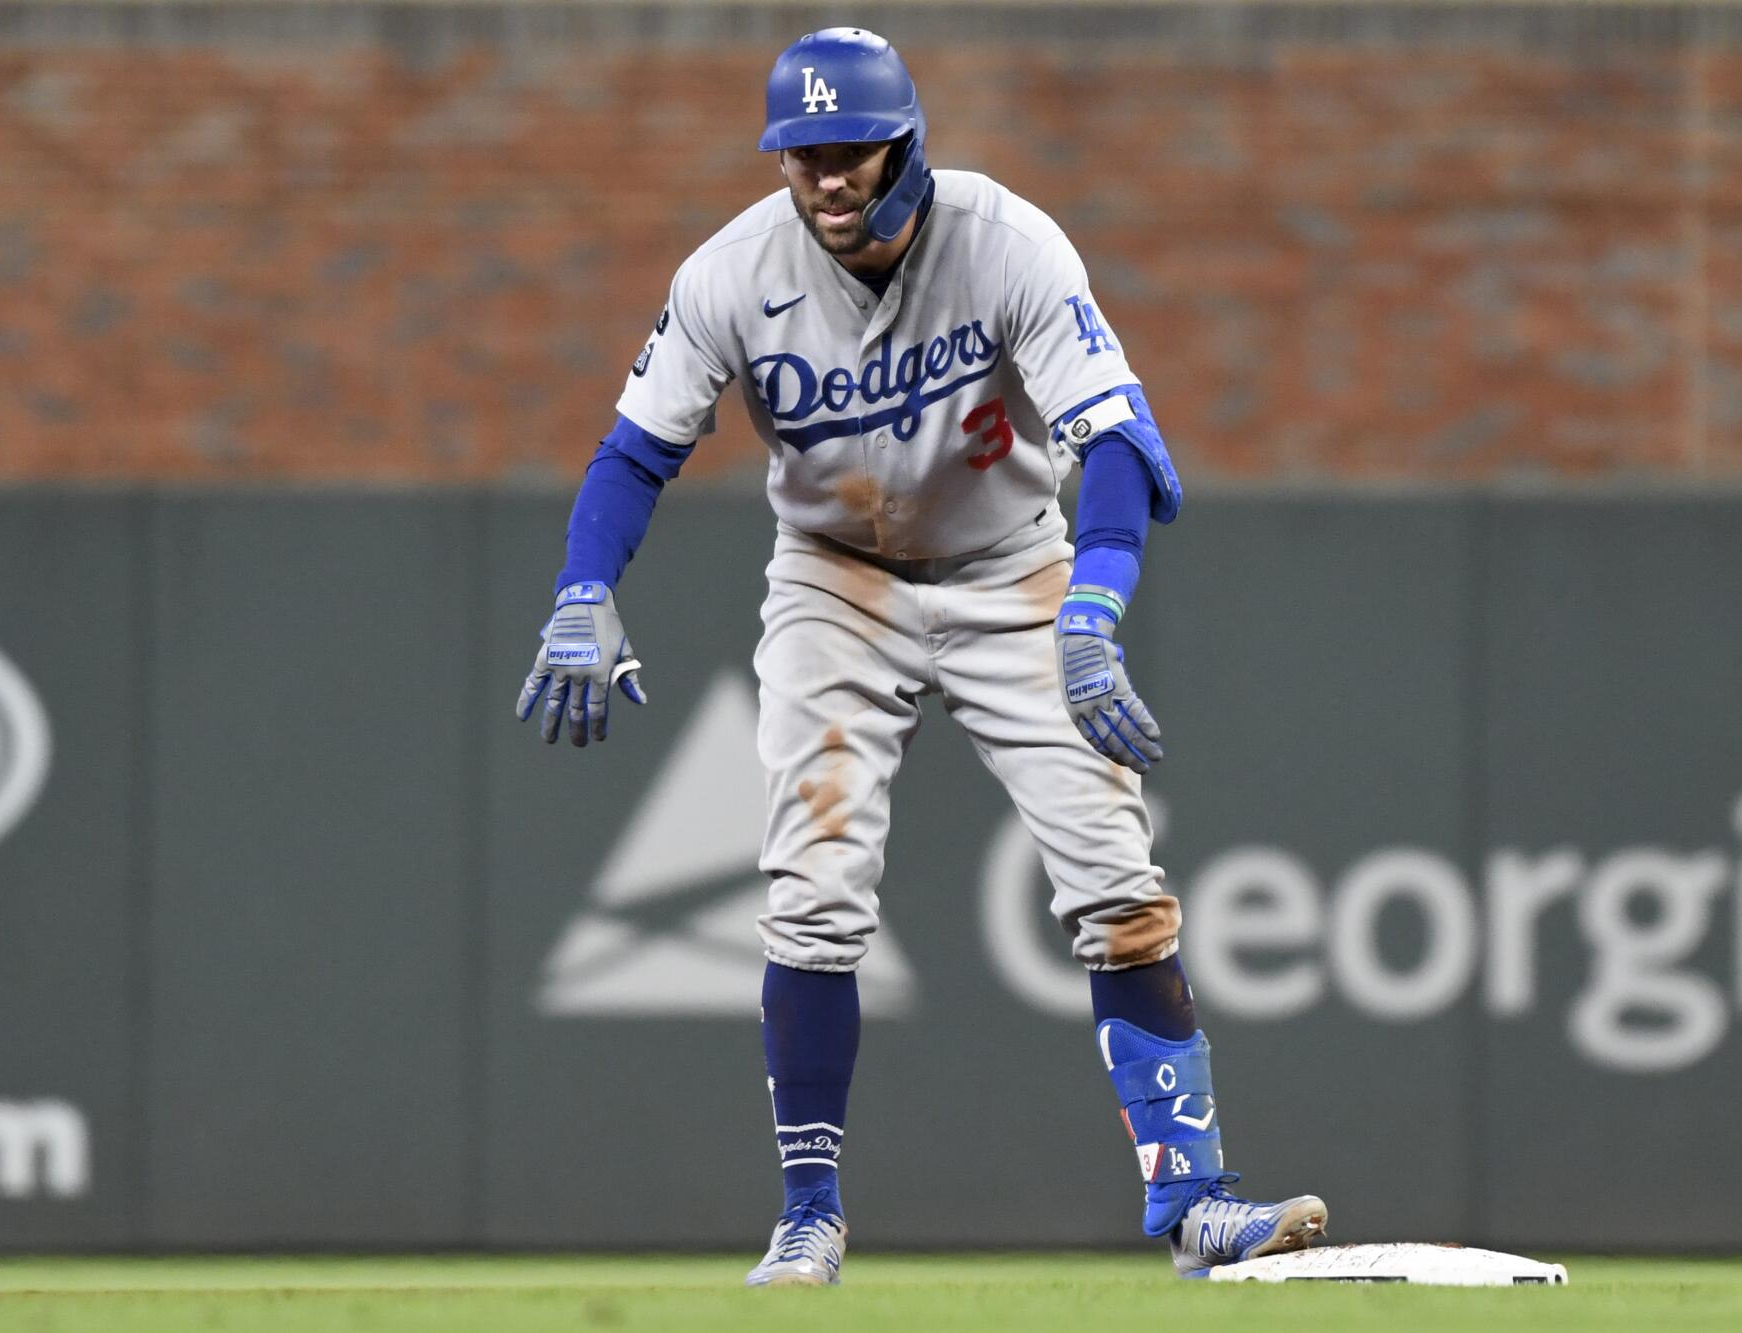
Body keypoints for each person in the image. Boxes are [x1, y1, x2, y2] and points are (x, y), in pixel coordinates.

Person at [514, 26, 1327, 1285]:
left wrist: (1094, 606)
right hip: (835, 579)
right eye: (803, 154)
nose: (826, 177)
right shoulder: (733, 270)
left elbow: (1115, 441)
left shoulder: (1004, 242)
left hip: (1011, 567)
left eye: (850, 151)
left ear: (906, 147)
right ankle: (807, 1211)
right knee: (811, 887)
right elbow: (633, 451)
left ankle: (1195, 1202)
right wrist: (580, 588)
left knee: (1117, 876)